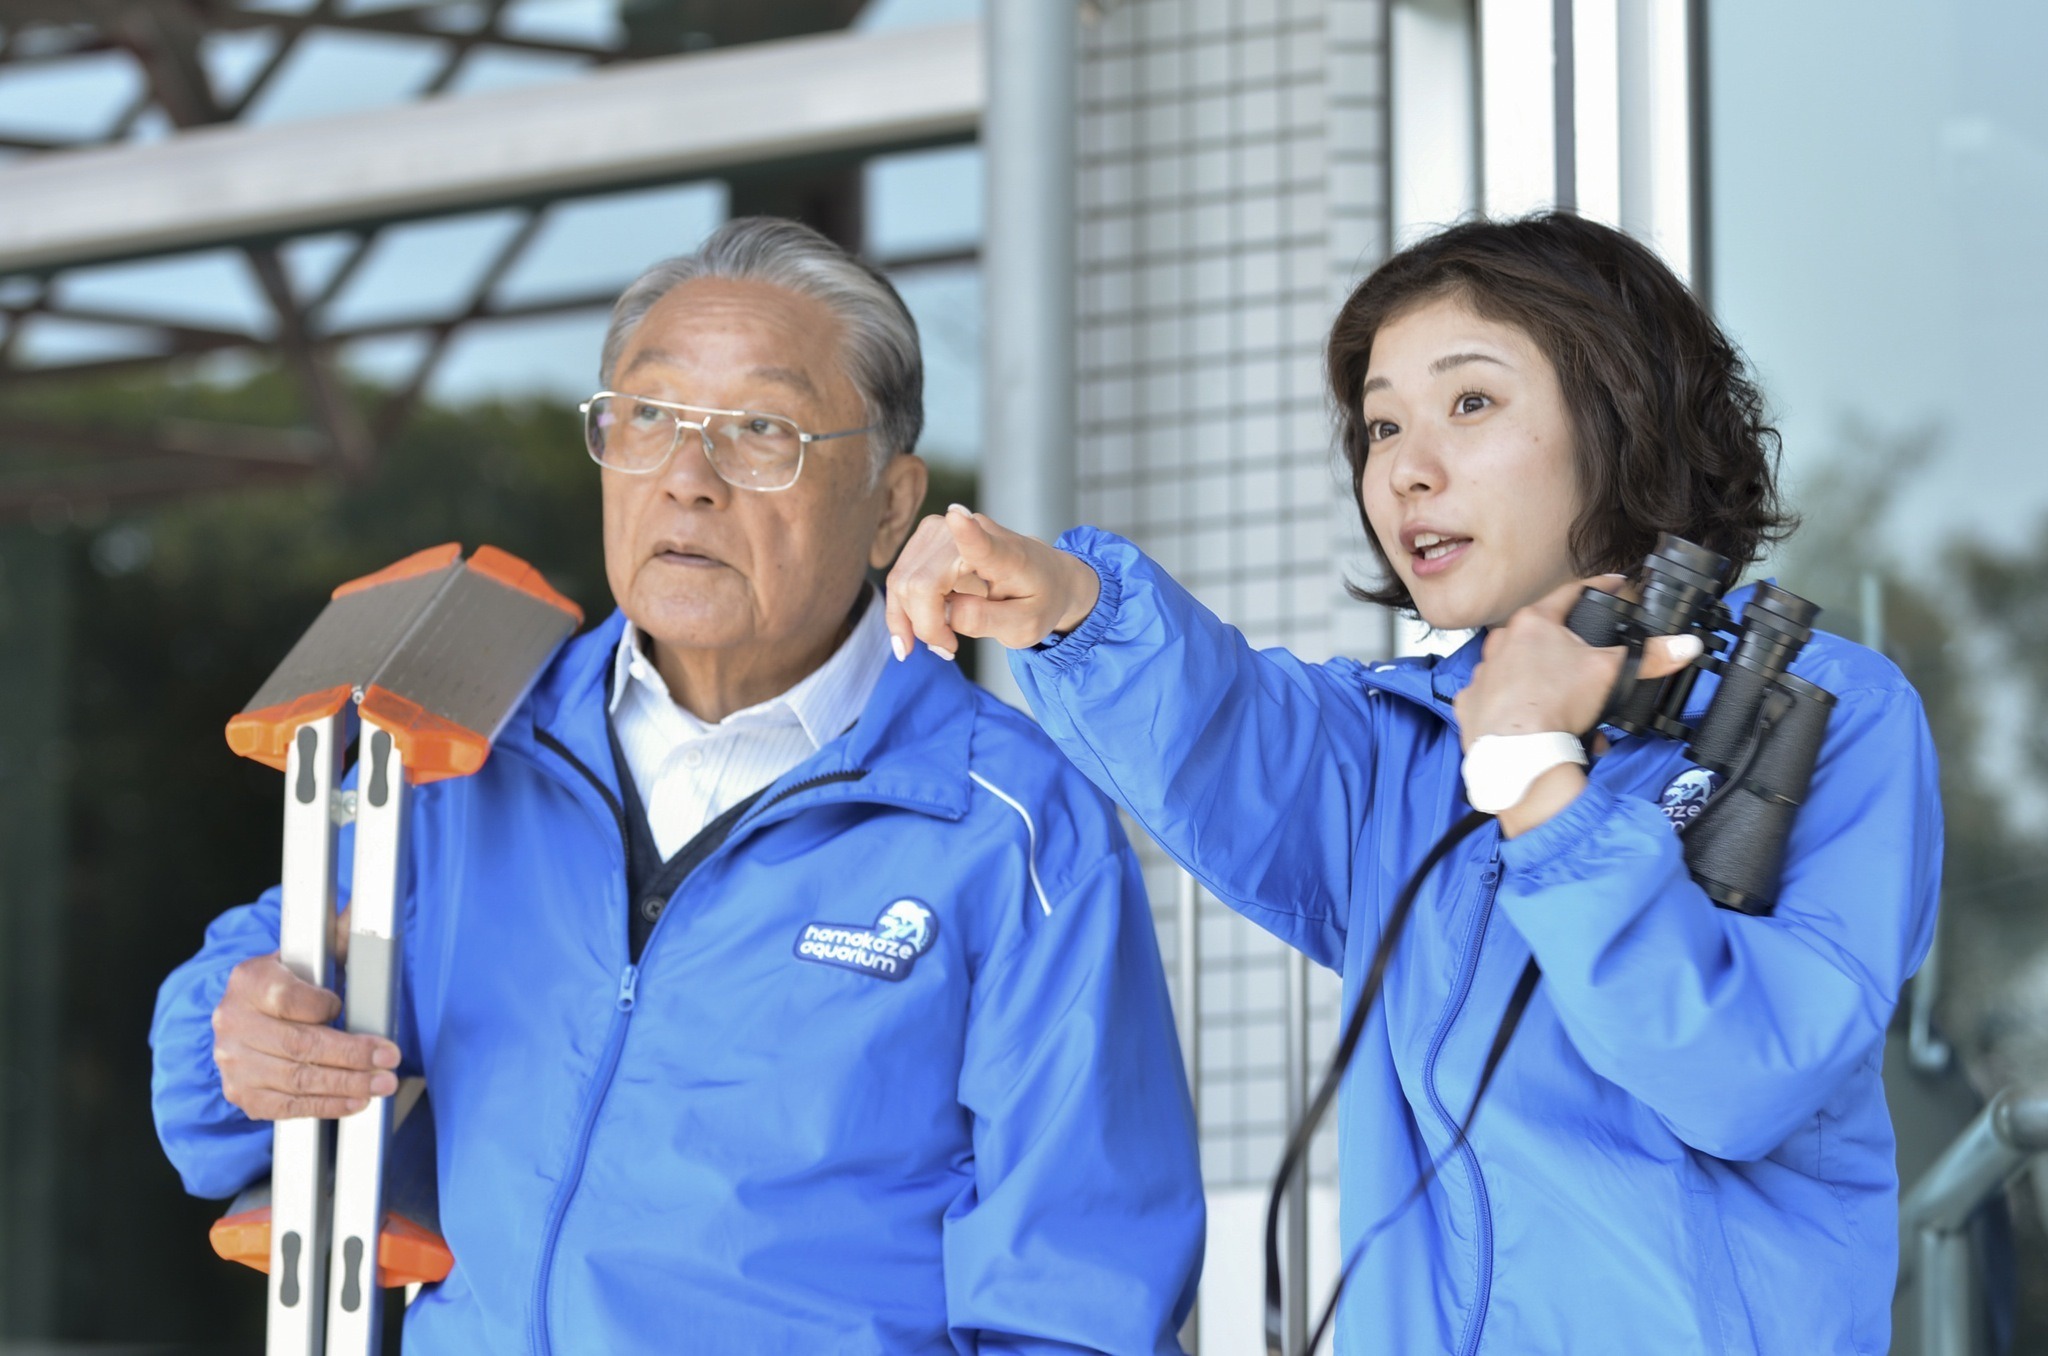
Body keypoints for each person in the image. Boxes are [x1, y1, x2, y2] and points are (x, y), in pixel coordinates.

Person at [887, 213, 1942, 1354]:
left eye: (1470, 403)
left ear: (1620, 411)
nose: (1405, 468)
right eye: (1380, 425)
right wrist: (1070, 603)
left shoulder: (1827, 710)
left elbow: (1741, 1079)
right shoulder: (1403, 744)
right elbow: (1226, 728)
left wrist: (1544, 787)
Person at [150, 217, 1203, 1355]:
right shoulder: (464, 750)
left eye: (761, 430)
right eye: (646, 418)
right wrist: (245, 1039)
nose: (687, 480)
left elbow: (1078, 1296)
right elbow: (237, 1077)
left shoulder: (1007, 822)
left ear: (891, 505)